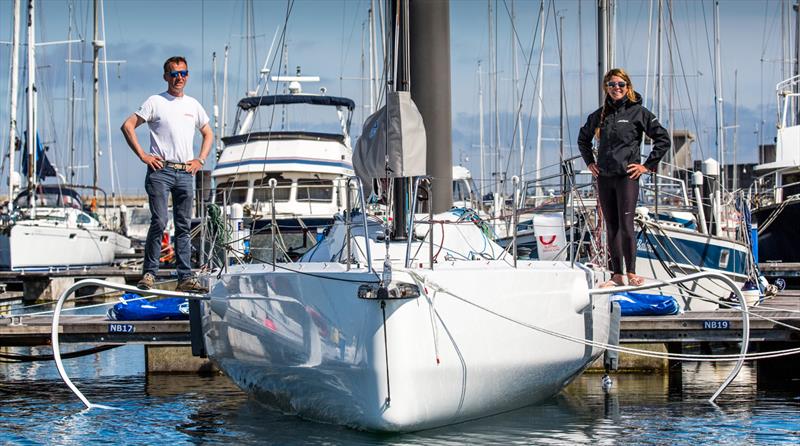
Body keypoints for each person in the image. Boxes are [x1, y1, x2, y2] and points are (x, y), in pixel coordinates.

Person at [121, 56, 213, 293]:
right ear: (166, 77)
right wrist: (143, 155)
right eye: (174, 74)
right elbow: (128, 125)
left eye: (183, 73)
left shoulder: (193, 105)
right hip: (160, 170)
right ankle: (149, 273)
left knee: (183, 225)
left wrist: (200, 159)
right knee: (160, 220)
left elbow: (208, 133)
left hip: (185, 172)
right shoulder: (155, 101)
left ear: (187, 75)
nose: (179, 78)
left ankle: (185, 276)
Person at [577, 68, 670, 287]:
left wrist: (647, 166)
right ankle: (616, 274)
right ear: (606, 88)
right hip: (605, 176)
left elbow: (663, 139)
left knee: (626, 225)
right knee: (612, 226)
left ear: (627, 87)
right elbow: (583, 139)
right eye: (611, 85)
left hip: (627, 176)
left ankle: (632, 273)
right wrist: (590, 162)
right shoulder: (600, 115)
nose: (616, 88)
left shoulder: (638, 112)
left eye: (620, 84)